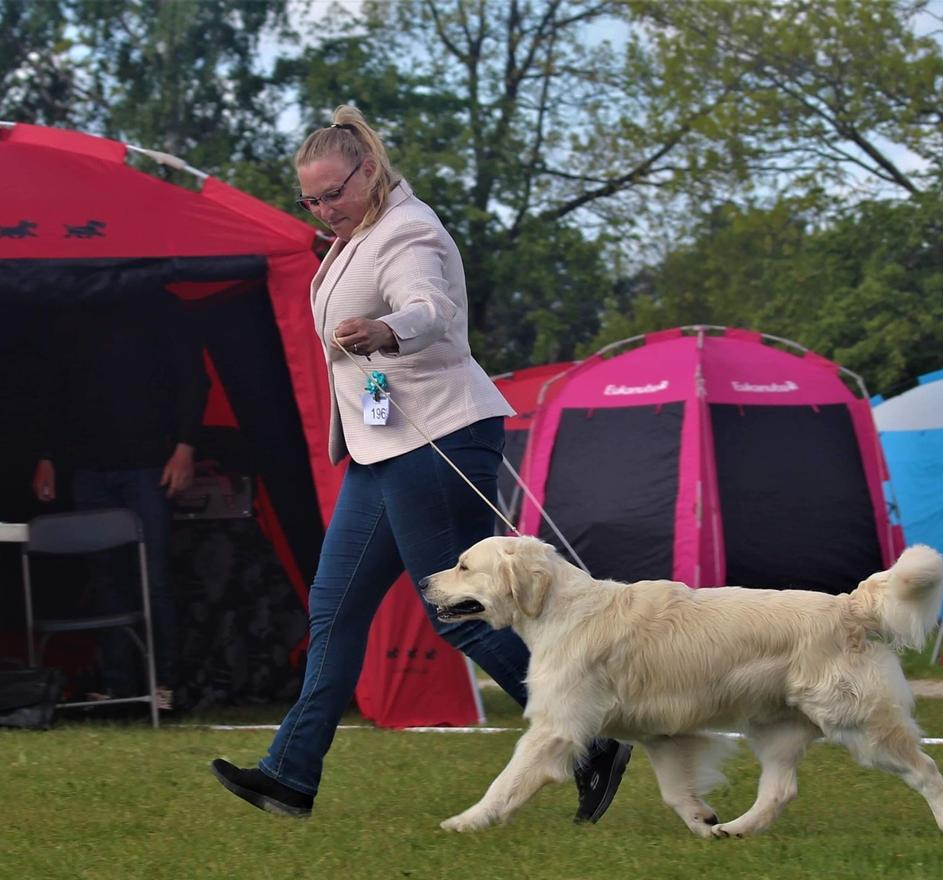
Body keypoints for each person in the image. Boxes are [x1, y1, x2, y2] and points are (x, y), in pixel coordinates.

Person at [209, 105, 631, 822]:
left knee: (459, 612)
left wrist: (386, 329)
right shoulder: (357, 235)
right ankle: (288, 775)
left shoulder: (408, 230)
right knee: (335, 608)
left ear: (368, 170)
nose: (323, 210)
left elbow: (429, 308)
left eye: (333, 193)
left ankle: (589, 737)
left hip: (438, 440)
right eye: (310, 201)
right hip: (383, 448)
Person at [31, 290, 209, 711]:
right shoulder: (71, 305)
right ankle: (119, 684)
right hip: (88, 466)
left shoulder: (161, 304)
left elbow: (192, 379)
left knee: (154, 577)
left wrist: (185, 447)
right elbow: (54, 388)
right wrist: (46, 456)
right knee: (105, 577)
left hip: (148, 463)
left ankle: (164, 683)